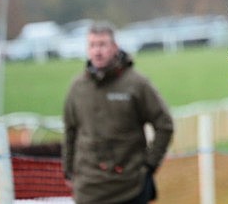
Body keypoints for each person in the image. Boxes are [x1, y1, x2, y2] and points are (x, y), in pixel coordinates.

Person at [63, 24, 173, 204]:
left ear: (115, 47)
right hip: (88, 189)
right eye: (92, 45)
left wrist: (149, 165)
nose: (97, 51)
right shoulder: (77, 88)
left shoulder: (136, 84)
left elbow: (164, 125)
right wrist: (68, 170)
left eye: (102, 44)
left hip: (130, 188)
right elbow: (70, 131)